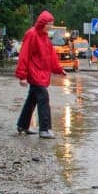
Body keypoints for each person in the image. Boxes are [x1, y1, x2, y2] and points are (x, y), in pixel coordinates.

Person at [14, 10, 67, 138]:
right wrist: (22, 76)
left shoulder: (44, 36)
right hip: (35, 74)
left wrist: (59, 69)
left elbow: (51, 56)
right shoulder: (32, 35)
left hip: (41, 73)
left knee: (32, 100)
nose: (51, 27)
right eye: (50, 24)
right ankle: (44, 129)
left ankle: (22, 125)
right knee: (43, 98)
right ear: (43, 23)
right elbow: (24, 55)